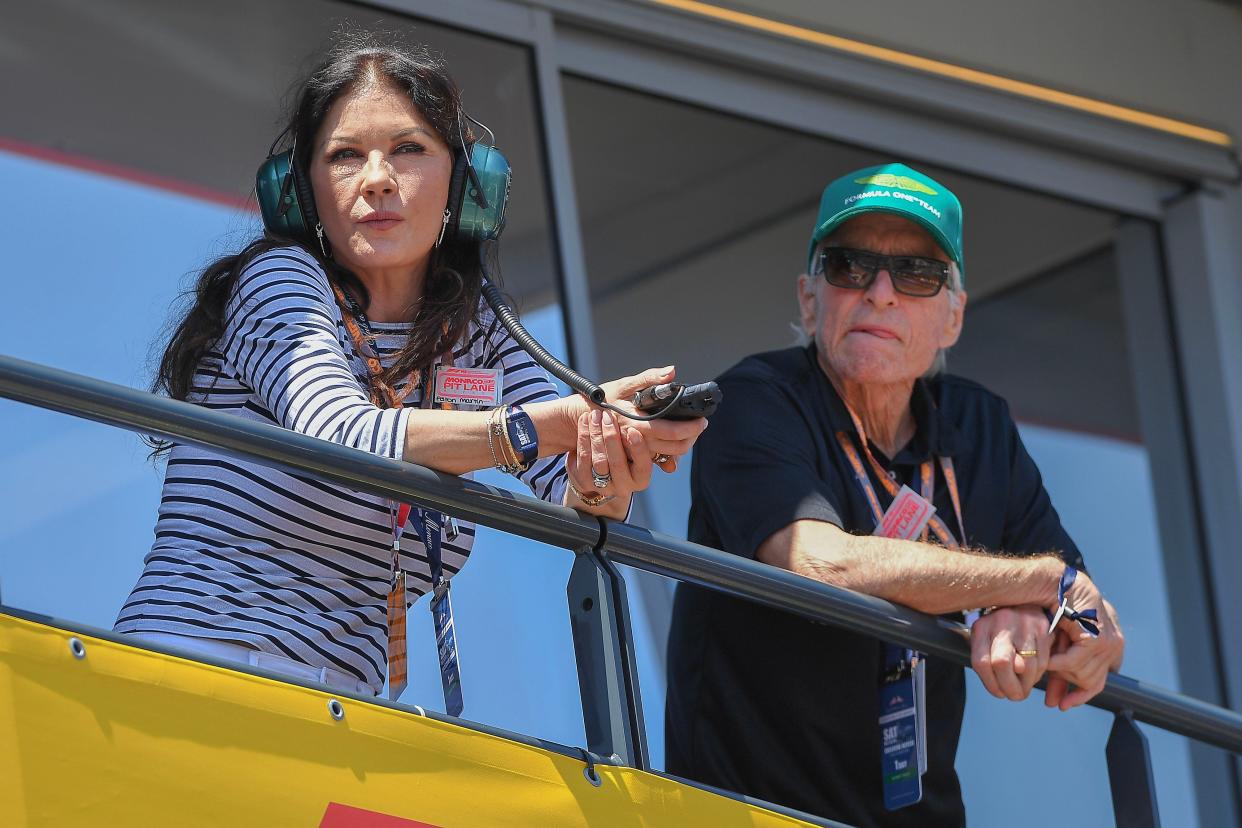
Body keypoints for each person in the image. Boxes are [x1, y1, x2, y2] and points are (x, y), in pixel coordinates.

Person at [114, 29, 706, 698]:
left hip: (345, 709)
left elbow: (574, 494)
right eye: (344, 156)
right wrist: (547, 426)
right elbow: (338, 436)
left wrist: (609, 458)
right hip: (192, 670)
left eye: (407, 150)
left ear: (466, 182)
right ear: (303, 195)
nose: (375, 180)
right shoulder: (278, 279)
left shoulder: (477, 327)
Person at [664, 163, 1124, 826]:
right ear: (808, 298)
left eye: (917, 275)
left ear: (953, 318)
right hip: (747, 812)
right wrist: (1034, 582)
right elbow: (817, 561)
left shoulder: (979, 426)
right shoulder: (756, 400)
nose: (880, 293)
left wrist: (1040, 619)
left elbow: (1081, 611)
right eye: (850, 266)